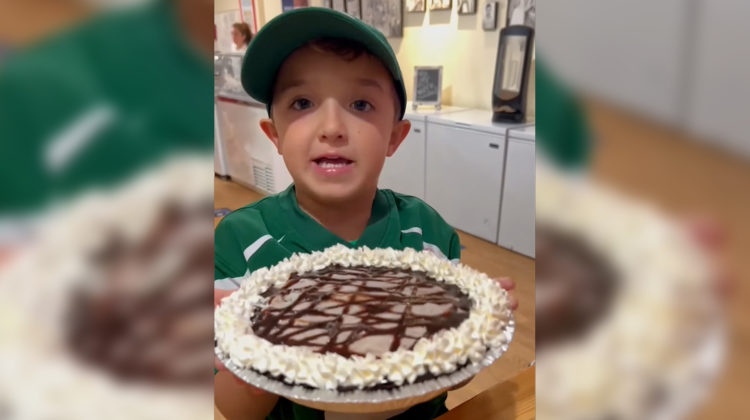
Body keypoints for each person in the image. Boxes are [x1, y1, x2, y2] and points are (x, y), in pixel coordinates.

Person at [213, 8, 517, 420]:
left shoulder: (425, 233)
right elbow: (233, 410)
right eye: (303, 102)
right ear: (276, 135)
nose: (333, 126)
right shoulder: (240, 244)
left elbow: (450, 373)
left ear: (395, 136)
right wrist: (251, 359)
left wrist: (475, 333)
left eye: (361, 103)